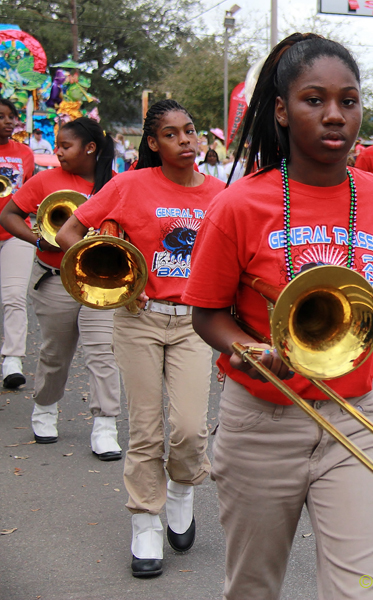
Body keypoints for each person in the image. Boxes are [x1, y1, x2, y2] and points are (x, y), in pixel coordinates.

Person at [182, 33, 373, 600]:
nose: (335, 115)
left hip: (356, 414)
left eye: (348, 101)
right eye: (314, 100)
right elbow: (206, 313)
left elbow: (368, 288)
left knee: (359, 592)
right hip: (261, 424)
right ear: (281, 111)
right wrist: (247, 350)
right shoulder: (237, 204)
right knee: (253, 588)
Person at [56, 99, 225, 579]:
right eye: (171, 134)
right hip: (139, 318)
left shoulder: (219, 193)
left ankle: (181, 489)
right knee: (146, 429)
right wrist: (110, 280)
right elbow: (70, 232)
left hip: (195, 323)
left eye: (190, 131)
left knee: (191, 428)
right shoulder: (129, 185)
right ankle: (146, 521)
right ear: (153, 144)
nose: (186, 140)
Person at [0, 117, 122, 459]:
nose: (58, 153)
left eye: (65, 147)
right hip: (55, 279)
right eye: (57, 146)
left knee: (103, 354)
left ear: (90, 148)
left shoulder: (114, 183)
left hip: (100, 283)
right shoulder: (45, 180)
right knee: (55, 354)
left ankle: (105, 424)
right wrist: (39, 240)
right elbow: (9, 214)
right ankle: (45, 407)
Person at [0, 98, 36, 388]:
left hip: (16, 233)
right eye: (3, 117)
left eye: (12, 117)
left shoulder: (25, 153)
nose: (9, 122)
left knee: (13, 296)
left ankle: (12, 359)